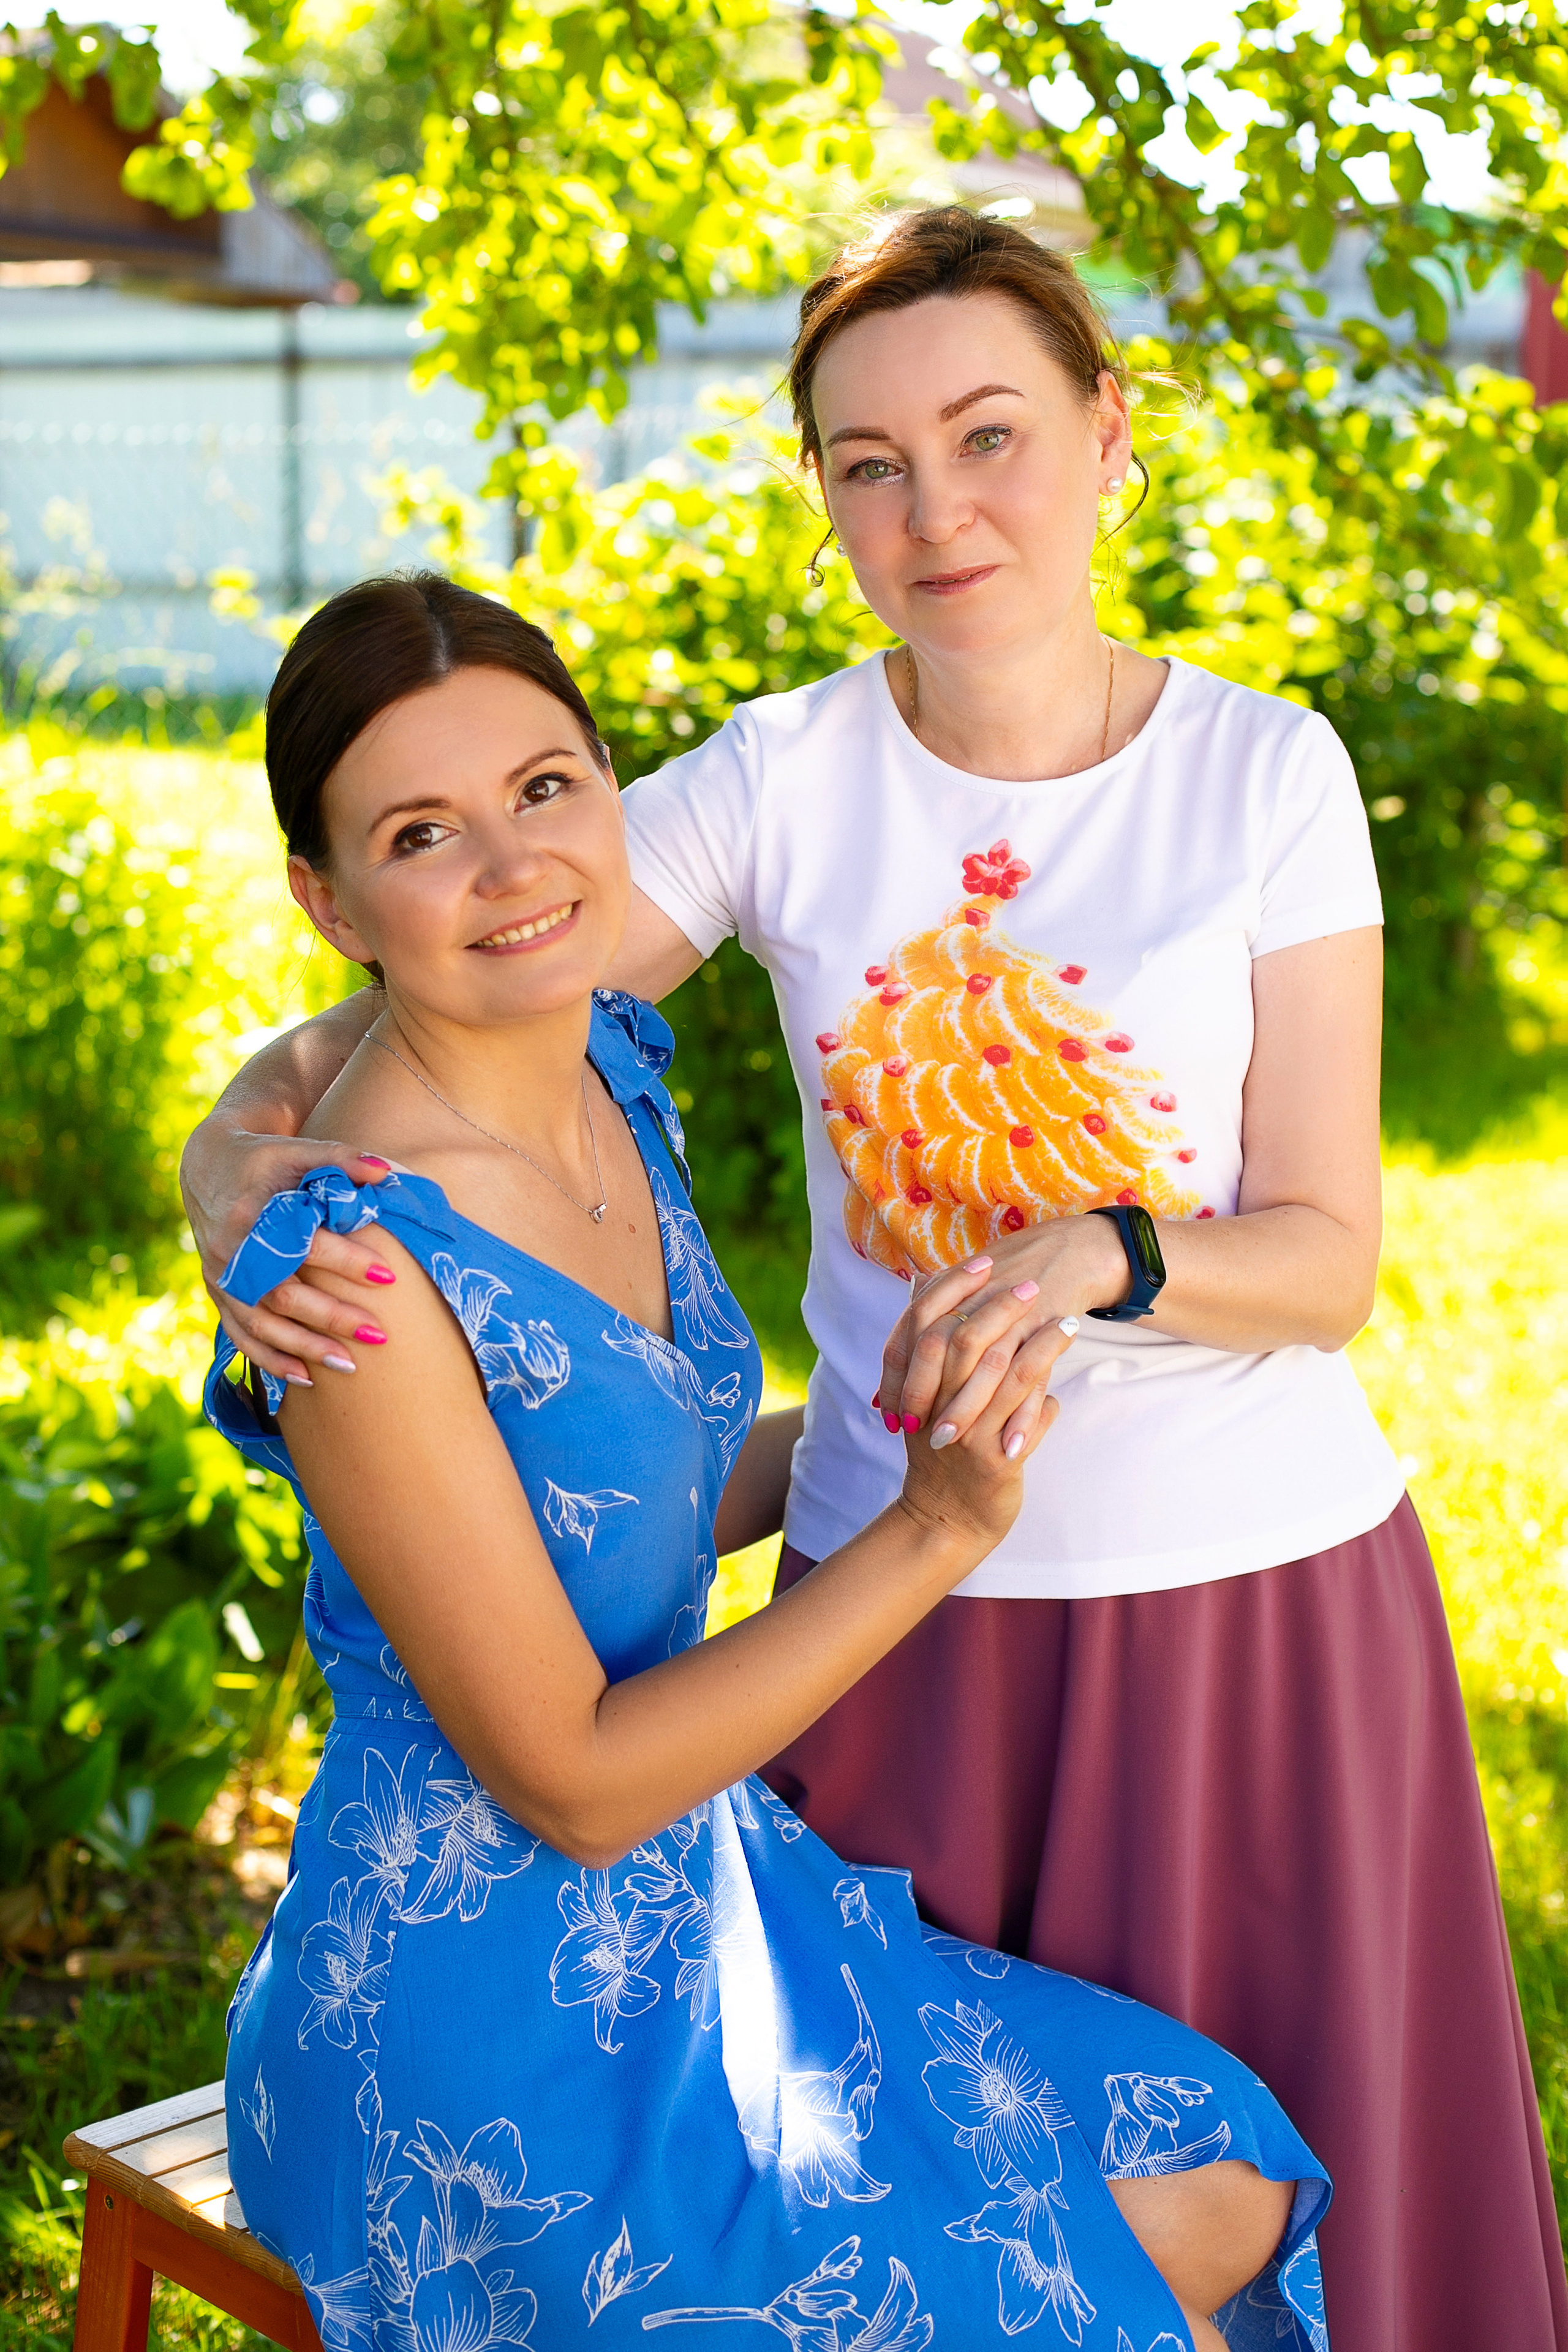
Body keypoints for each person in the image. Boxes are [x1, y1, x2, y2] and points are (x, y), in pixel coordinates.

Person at [181, 210, 1567, 2347]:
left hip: (1259, 1599)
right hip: (898, 1621)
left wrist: (1104, 1256)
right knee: (1006, 2233)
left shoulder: (1267, 773)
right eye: (868, 461)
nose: (939, 509)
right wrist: (231, 1164)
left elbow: (1327, 1259)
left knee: (1255, 2177)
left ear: (1111, 435)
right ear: (821, 485)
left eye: (993, 433)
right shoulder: (781, 777)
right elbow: (459, 991)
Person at [202, 570, 1329, 2351]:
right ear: (326, 899)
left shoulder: (609, 1081)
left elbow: (614, 1487)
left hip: (708, 1911)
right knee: (1050, 2306)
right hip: (477, 2020)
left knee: (1222, 2182)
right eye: (425, 833)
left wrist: (906, 1422)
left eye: (548, 790)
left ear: (607, 796)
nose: (514, 868)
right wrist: (930, 1532)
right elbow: (570, 1781)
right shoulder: (358, 1272)